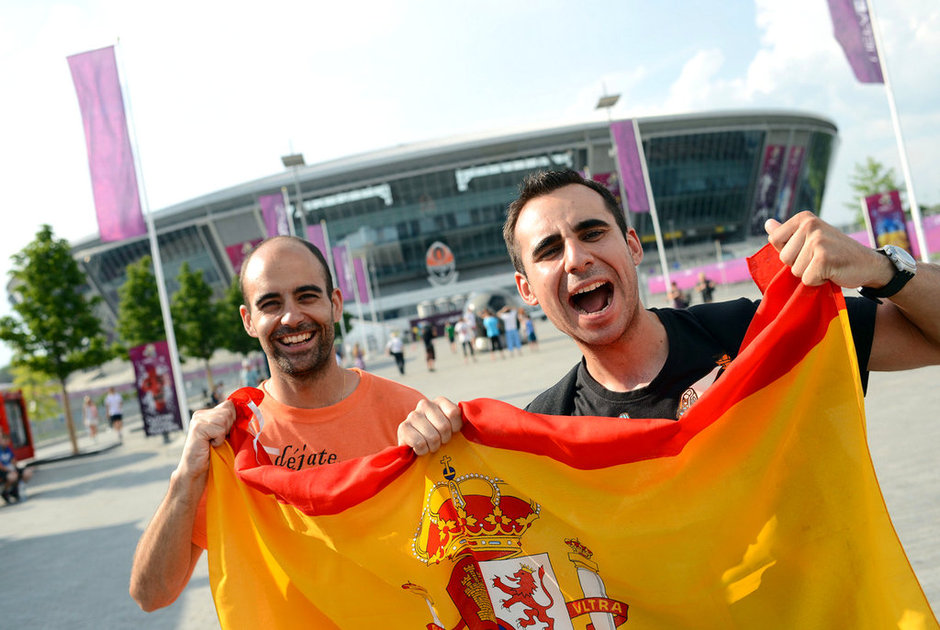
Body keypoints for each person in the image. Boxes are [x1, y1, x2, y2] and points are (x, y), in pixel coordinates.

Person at [410, 168, 940, 429]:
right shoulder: (550, 432)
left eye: (593, 232)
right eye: (549, 250)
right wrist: (436, 448)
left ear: (633, 245)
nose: (575, 259)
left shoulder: (757, 335)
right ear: (526, 288)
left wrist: (879, 267)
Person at [129, 236, 459, 613]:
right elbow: (151, 594)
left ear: (335, 304)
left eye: (307, 296)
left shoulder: (407, 413)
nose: (291, 317)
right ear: (248, 320)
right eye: (271, 303)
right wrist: (185, 477)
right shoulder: (233, 439)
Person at [0, 433, 33, 504]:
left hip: (12, 469)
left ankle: (16, 490)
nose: (6, 442)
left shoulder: (8, 449)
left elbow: (13, 461)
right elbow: (1, 466)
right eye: (4, 440)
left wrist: (15, 466)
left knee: (28, 472)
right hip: (4, 471)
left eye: (7, 440)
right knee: (12, 476)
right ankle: (5, 492)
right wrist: (11, 470)